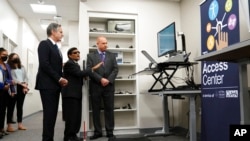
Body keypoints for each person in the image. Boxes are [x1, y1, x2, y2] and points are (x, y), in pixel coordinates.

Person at [35, 23, 68, 141]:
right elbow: (45, 65)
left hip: (54, 85)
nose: (62, 34)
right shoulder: (44, 44)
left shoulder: (55, 47)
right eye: (60, 32)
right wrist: (59, 78)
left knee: (52, 115)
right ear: (53, 32)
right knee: (49, 115)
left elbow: (55, 66)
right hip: (47, 85)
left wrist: (62, 77)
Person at [62, 47, 102, 141]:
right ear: (69, 55)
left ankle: (73, 136)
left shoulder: (75, 64)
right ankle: (68, 137)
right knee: (71, 117)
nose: (78, 54)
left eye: (79, 52)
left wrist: (83, 75)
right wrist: (93, 68)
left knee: (75, 116)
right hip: (70, 95)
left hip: (75, 94)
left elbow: (78, 75)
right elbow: (79, 73)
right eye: (75, 53)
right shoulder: (69, 64)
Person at [87, 36, 118, 141]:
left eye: (106, 43)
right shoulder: (90, 56)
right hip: (96, 86)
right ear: (98, 44)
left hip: (109, 86)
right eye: (103, 43)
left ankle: (110, 132)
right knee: (96, 110)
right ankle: (98, 132)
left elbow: (115, 69)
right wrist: (101, 79)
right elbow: (89, 70)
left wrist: (108, 80)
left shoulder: (112, 55)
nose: (106, 45)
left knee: (109, 109)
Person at [6, 53, 29, 132]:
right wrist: (21, 84)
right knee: (11, 107)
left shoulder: (22, 67)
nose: (16, 58)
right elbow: (12, 78)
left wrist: (25, 85)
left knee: (20, 106)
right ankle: (9, 126)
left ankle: (20, 124)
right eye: (14, 57)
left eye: (17, 57)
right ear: (11, 58)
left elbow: (26, 77)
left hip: (22, 88)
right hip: (14, 87)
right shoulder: (9, 67)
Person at [0, 48, 15, 139]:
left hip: (6, 91)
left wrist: (13, 90)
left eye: (7, 55)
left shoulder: (7, 66)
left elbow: (10, 78)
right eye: (4, 54)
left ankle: (2, 129)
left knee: (3, 111)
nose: (6, 56)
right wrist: (4, 84)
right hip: (1, 89)